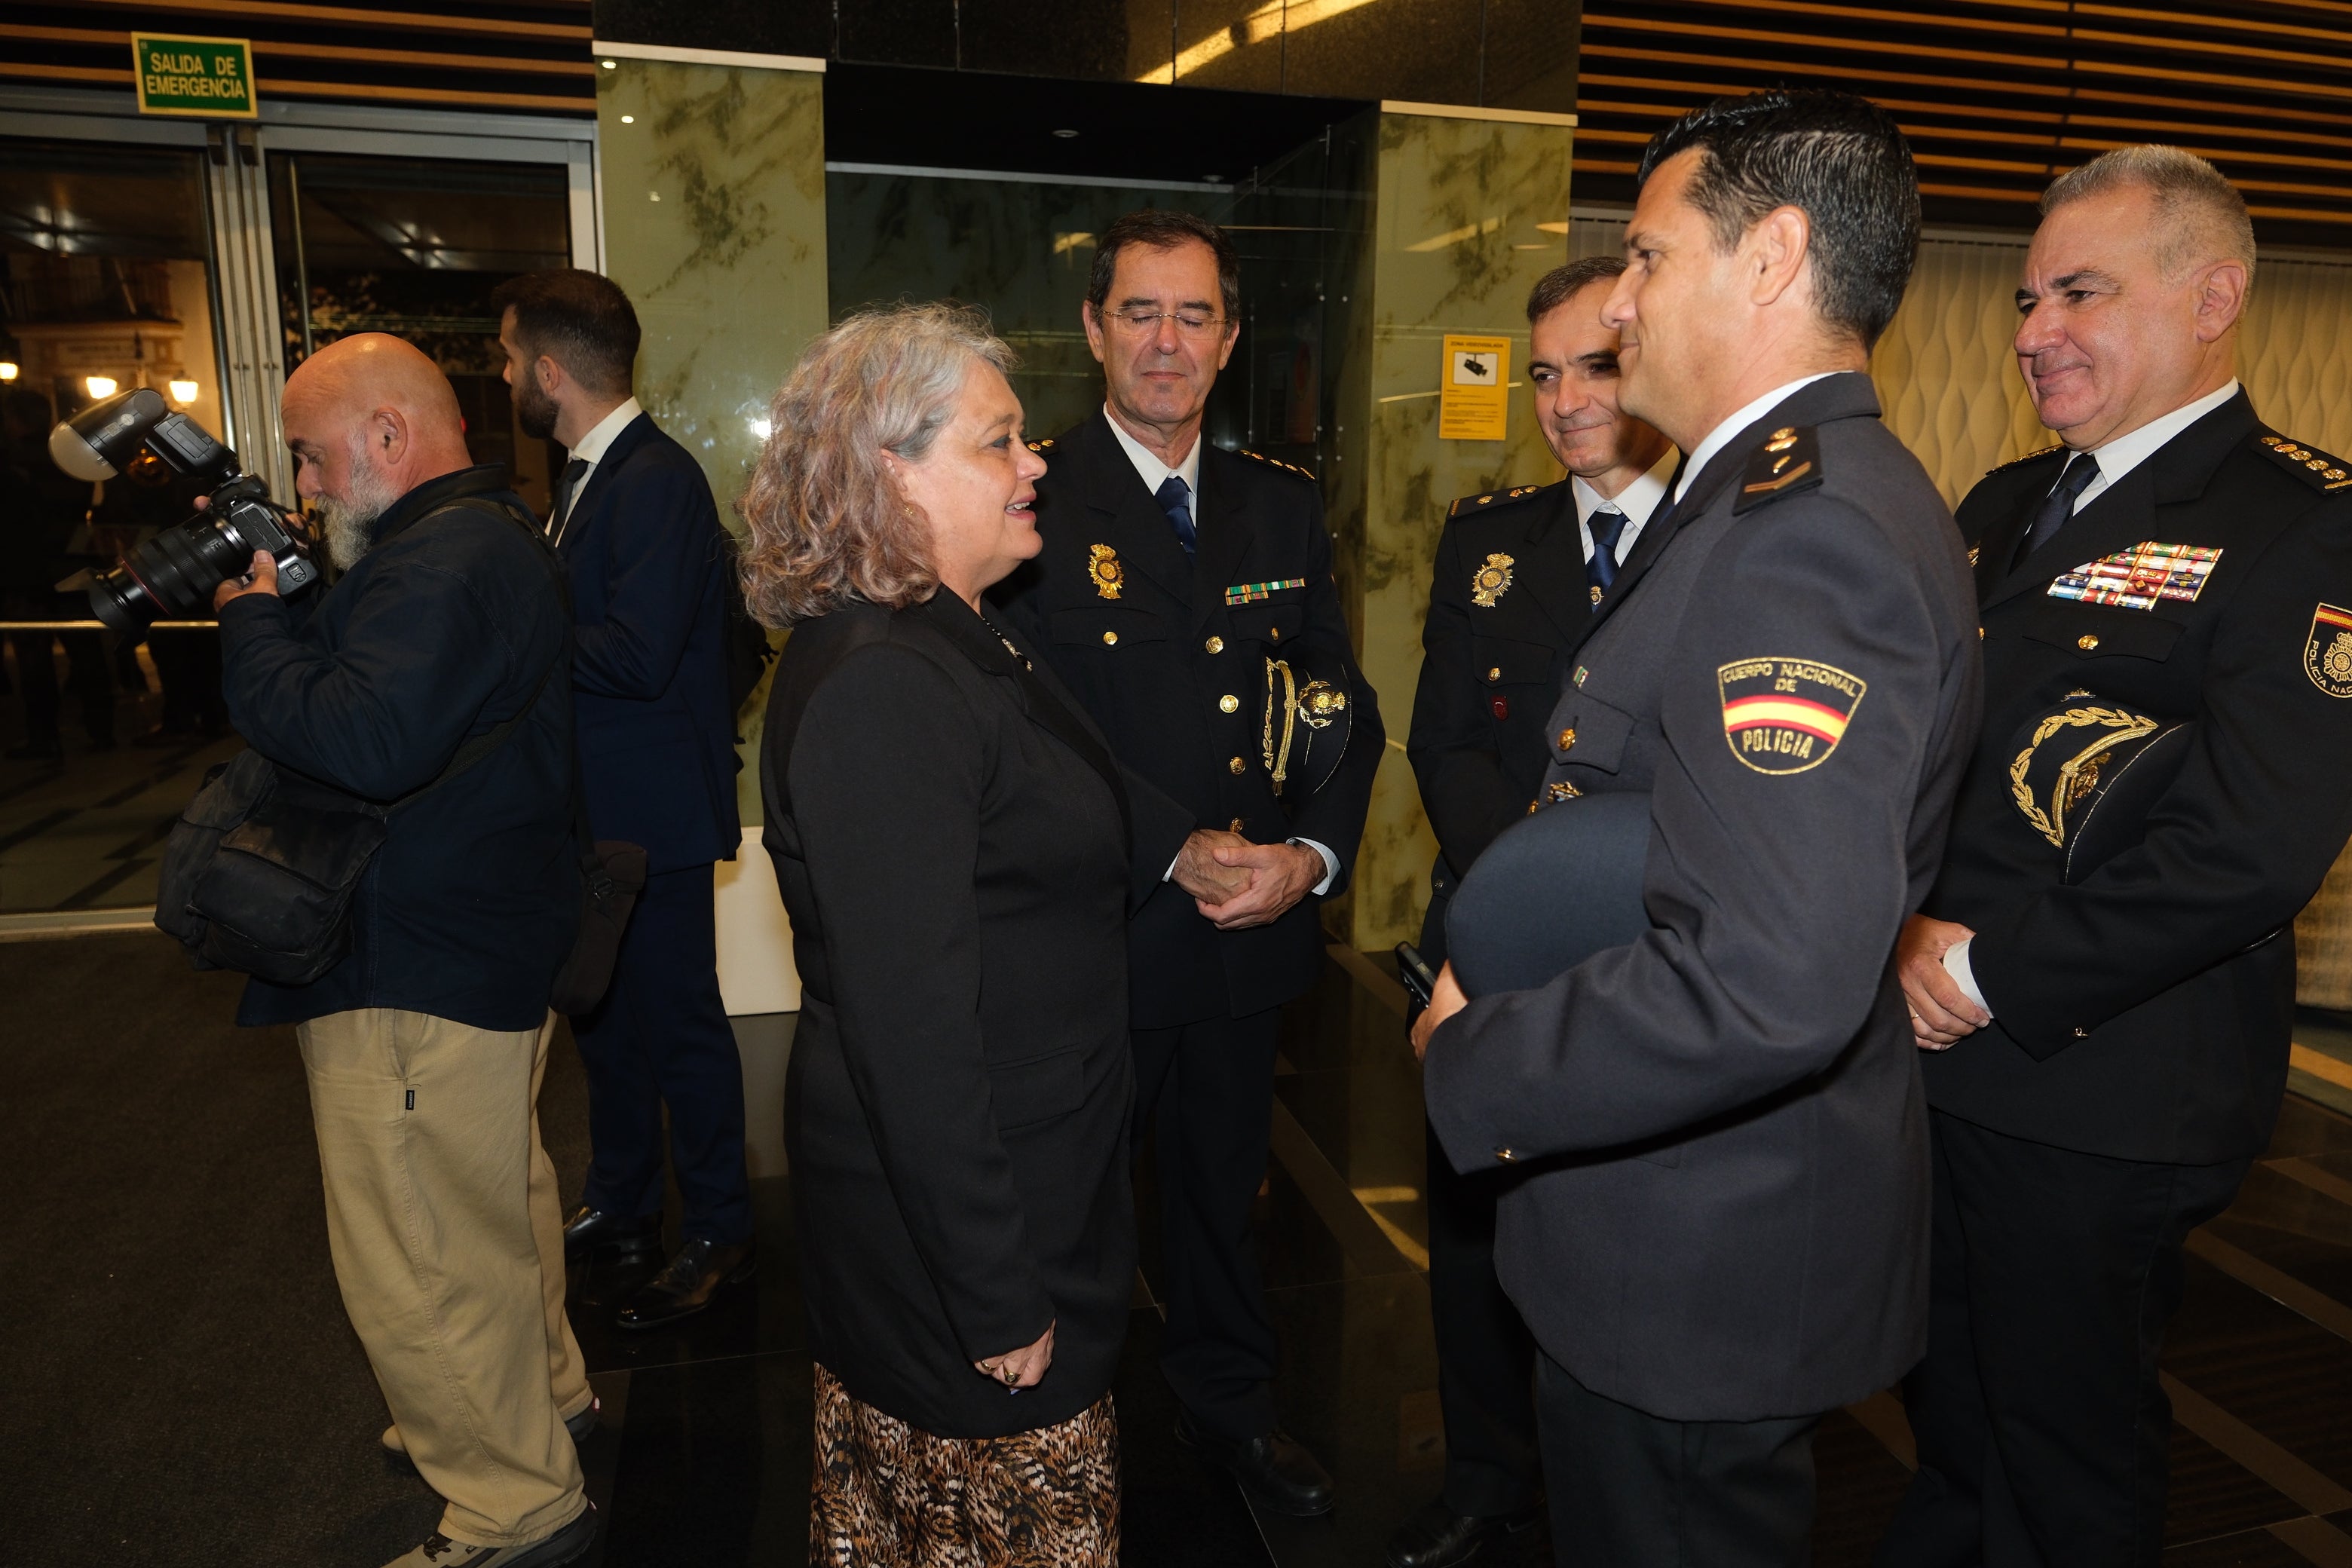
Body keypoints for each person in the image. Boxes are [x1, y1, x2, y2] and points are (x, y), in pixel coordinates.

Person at [1413, 90, 1980, 1566]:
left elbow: (1768, 974)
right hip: (1680, 1209)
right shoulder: (1763, 495)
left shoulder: (1806, 535)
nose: (1620, 299)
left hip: (1692, 1249)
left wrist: (1477, 1055)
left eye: (1649, 256)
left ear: (1772, 255)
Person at [1878, 148, 2352, 1568]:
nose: (2035, 331)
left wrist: (1981, 971)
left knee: (2064, 1455)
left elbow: (2251, 846)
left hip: (2104, 1086)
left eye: (2080, 293)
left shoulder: (2306, 524)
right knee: (1948, 1416)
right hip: (1934, 1055)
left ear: (2214, 299)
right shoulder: (2004, 500)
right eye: (2028, 299)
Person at [745, 302, 1193, 1566]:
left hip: (1026, 1169)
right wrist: (993, 1291)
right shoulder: (886, 684)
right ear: (891, 472)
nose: (1034, 460)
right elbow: (911, 1032)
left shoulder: (952, 631)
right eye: (999, 440)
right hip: (969, 1224)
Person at [993, 208, 1384, 1518]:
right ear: (1095, 329)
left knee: (1222, 1198)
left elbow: (1336, 700)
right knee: (1077, 1206)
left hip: (1245, 934)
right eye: (1141, 313)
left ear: (1229, 338)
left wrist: (1311, 856)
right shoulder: (1035, 497)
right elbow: (1026, 723)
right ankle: (1063, 1435)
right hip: (1100, 932)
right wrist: (1175, 845)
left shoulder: (1280, 503)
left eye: (1195, 316)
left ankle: (1232, 1410)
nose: (1168, 341)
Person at [213, 332, 595, 1568]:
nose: (307, 486)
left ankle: (510, 1501)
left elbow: (366, 743)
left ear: (390, 435)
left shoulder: (447, 557)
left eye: (314, 457)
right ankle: (542, 1403)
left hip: (416, 962)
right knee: (492, 1205)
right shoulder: (483, 536)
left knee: (422, 1250)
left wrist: (252, 628)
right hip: (479, 942)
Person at [1390, 252, 1677, 1568]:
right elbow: (1443, 736)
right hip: (1494, 946)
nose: (1565, 403)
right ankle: (1487, 1477)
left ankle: (1607, 1488)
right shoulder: (1488, 538)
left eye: (1595, 367)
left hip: (1656, 956)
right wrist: (1523, 894)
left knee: (1628, 1236)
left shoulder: (1723, 530)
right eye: (1546, 375)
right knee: (1473, 1229)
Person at [492, 269, 752, 1329]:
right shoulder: (593, 477)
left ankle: (720, 1230)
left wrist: (514, 632)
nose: (506, 375)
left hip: (655, 818)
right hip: (604, 812)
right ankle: (626, 1203)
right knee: (605, 1021)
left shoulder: (654, 479)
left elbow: (639, 657)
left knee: (680, 1028)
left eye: (510, 357)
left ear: (551, 370)